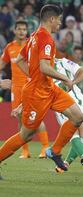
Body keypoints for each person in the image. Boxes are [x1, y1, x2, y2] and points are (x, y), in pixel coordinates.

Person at [0, 4, 83, 174]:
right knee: (26, 135)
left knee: (78, 117)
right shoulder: (45, 38)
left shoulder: (33, 36)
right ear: (52, 19)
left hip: (49, 88)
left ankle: (55, 151)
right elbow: (45, 67)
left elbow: (20, 60)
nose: (59, 24)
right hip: (36, 94)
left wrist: (33, 75)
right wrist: (66, 79)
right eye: (59, 20)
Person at [0, 20, 49, 159]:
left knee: (35, 117)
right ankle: (25, 151)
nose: (21, 31)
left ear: (27, 31)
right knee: (20, 119)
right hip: (16, 88)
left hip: (31, 86)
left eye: (24, 29)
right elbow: (1, 64)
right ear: (14, 31)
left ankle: (45, 147)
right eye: (19, 29)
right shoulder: (9, 47)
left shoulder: (31, 45)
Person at [52, 58, 83, 172]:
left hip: (78, 101)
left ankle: (65, 163)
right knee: (73, 132)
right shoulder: (39, 69)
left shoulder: (62, 62)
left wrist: (72, 82)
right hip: (60, 105)